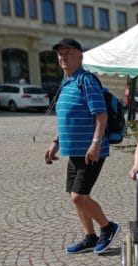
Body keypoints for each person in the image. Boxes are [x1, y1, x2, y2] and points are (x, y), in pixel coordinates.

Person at [44, 38, 119, 254]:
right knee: (74, 196)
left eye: (68, 53)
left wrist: (95, 143)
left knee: (79, 196)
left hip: (91, 151)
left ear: (80, 56)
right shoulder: (66, 82)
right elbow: (67, 118)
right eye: (60, 54)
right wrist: (55, 143)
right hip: (74, 151)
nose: (63, 57)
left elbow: (101, 115)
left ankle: (108, 227)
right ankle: (90, 237)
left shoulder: (86, 80)